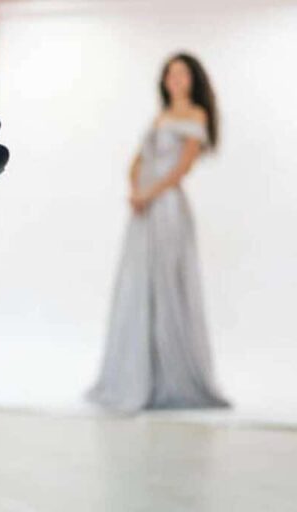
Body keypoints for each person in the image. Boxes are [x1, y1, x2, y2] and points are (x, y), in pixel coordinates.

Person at [87, 53, 230, 412]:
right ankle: (140, 372)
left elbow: (182, 169)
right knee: (140, 284)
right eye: (170, 74)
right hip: (144, 209)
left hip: (165, 208)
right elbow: (138, 160)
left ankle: (171, 375)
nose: (175, 80)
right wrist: (135, 188)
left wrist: (147, 194)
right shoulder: (160, 116)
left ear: (192, 79)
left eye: (181, 73)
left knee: (166, 284)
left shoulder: (195, 116)